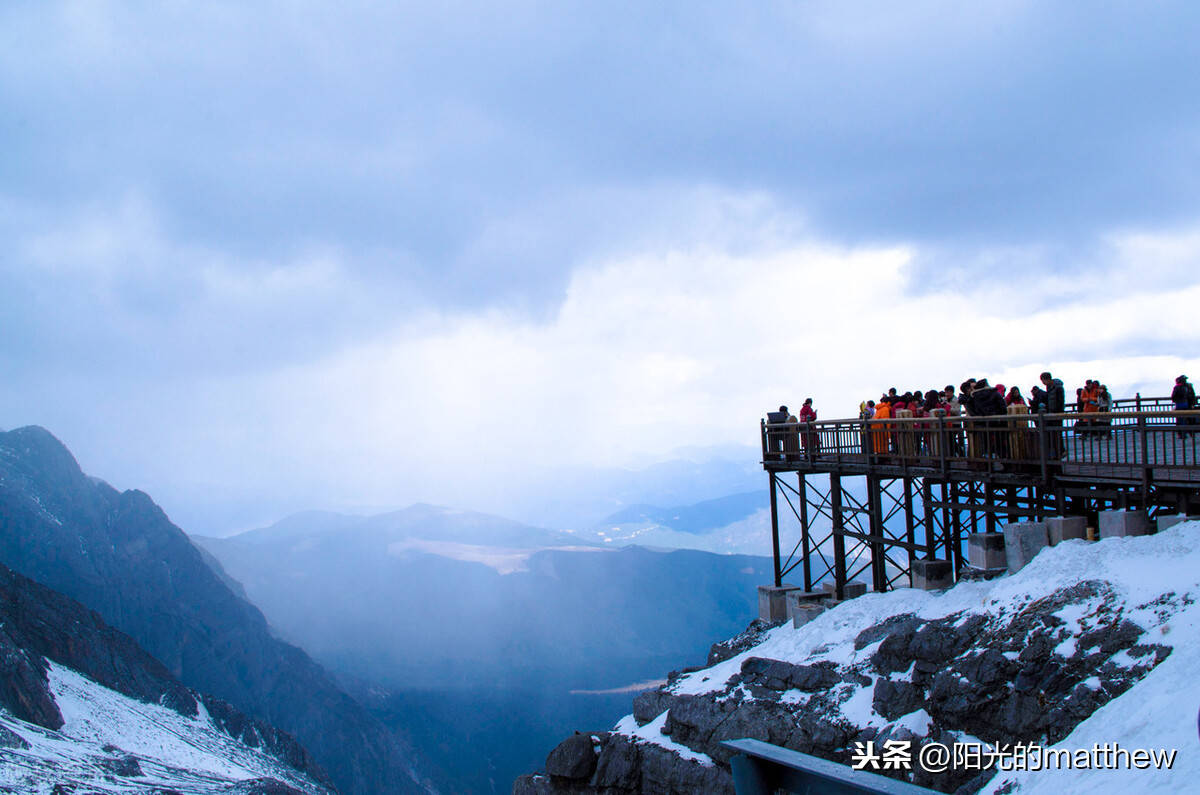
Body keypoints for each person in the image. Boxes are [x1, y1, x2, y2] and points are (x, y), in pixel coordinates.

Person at [1040, 371, 1066, 458]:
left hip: (1056, 413)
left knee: (1057, 432)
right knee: (1054, 432)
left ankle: (1061, 450)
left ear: (1046, 379)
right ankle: (1056, 450)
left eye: (1043, 380)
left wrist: (1058, 412)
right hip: (1051, 413)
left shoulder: (1058, 387)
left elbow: (1060, 401)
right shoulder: (1050, 387)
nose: (1043, 383)